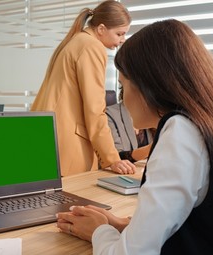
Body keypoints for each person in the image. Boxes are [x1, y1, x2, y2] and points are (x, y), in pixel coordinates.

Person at [56, 19, 213, 255]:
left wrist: (99, 231)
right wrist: (123, 226)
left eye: (123, 86)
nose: (123, 99)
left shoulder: (181, 132)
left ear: (149, 84)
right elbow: (200, 227)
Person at [31, 1, 135, 177]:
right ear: (101, 29)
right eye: (119, 34)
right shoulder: (91, 46)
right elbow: (95, 110)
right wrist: (112, 158)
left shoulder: (75, 41)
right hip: (66, 143)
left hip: (47, 135)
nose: (122, 40)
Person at [105, 90, 154, 162]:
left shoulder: (152, 114)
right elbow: (116, 157)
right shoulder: (109, 114)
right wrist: (151, 148)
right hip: (120, 172)